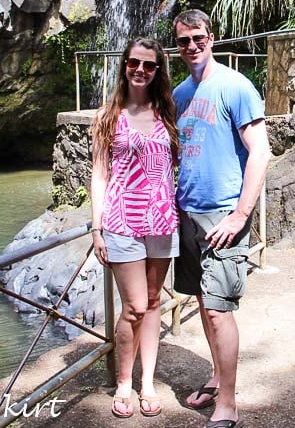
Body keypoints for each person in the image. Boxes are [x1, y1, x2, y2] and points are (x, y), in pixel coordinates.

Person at [172, 9, 271, 428]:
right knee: (199, 298)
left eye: (198, 38)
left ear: (212, 38)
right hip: (187, 211)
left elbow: (261, 152)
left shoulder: (235, 86)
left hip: (224, 214)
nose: (192, 46)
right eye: (183, 41)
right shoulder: (179, 95)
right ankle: (216, 376)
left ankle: (228, 404)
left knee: (218, 310)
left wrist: (240, 214)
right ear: (176, 46)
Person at [90, 37, 179, 419]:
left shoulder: (168, 111)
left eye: (148, 65)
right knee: (134, 307)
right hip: (122, 222)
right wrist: (97, 228)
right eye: (133, 63)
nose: (140, 70)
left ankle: (148, 382)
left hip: (162, 220)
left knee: (156, 301)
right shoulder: (106, 116)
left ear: (158, 71)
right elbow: (98, 174)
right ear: (123, 65)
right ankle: (124, 381)